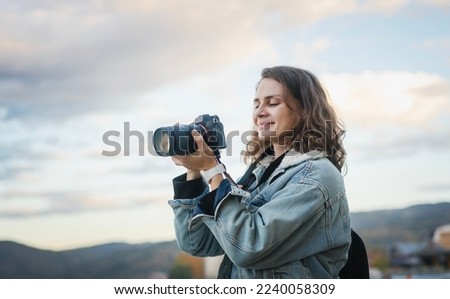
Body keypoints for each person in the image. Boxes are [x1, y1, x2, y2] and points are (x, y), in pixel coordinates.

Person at [168, 66, 351, 278]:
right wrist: (194, 173)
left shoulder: (316, 177)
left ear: (304, 111)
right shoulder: (259, 173)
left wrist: (212, 170)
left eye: (272, 103)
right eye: (257, 104)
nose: (260, 112)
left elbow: (247, 246)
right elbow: (197, 243)